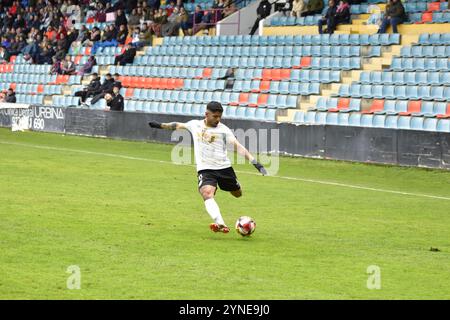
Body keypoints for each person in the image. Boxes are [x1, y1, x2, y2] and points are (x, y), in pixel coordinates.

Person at [148, 101, 267, 233]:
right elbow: (177, 125)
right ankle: (220, 223)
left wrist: (256, 163)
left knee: (237, 194)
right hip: (205, 169)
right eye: (215, 116)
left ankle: (235, 185)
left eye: (219, 117)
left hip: (224, 168)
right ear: (206, 114)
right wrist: (160, 125)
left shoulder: (223, 130)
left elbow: (238, 146)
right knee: (206, 193)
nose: (218, 119)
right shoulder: (195, 125)